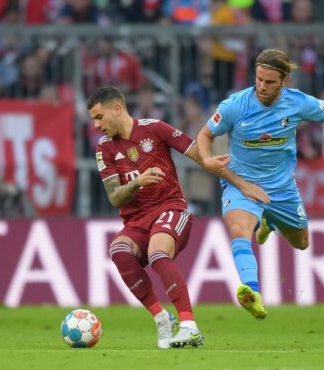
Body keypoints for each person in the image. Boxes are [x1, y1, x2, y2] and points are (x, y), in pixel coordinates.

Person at [196, 48, 324, 320]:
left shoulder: (297, 103)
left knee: (301, 243)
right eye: (258, 79)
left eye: (270, 82)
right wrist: (207, 158)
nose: (262, 86)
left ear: (284, 81)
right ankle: (252, 292)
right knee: (239, 229)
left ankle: (269, 222)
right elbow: (204, 135)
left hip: (282, 189)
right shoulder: (234, 105)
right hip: (242, 185)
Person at [88, 86, 268, 348]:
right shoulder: (104, 148)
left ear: (117, 109)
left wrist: (239, 183)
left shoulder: (155, 129)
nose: (96, 125)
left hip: (170, 208)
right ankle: (162, 318)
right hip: (136, 221)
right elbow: (115, 197)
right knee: (118, 251)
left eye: (99, 117)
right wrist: (138, 182)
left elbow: (201, 157)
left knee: (157, 253)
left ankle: (189, 326)